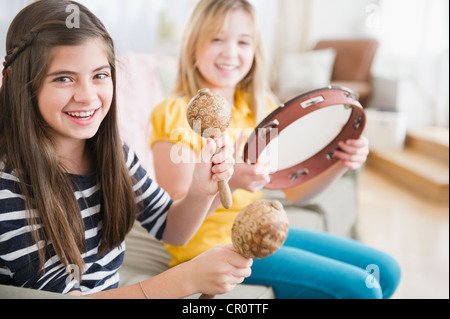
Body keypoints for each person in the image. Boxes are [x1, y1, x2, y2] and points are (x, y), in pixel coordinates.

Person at [0, 0, 252, 299]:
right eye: (64, 78)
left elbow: (171, 229)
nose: (87, 96)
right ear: (18, 81)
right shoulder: (9, 187)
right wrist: (187, 279)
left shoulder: (113, 152)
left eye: (99, 75)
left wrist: (200, 190)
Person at [150, 0, 401, 299]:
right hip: (211, 247)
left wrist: (341, 163)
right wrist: (231, 181)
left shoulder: (261, 107)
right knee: (361, 288)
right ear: (193, 45)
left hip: (262, 229)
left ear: (255, 52)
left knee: (385, 270)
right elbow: (175, 224)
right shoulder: (173, 111)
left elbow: (296, 192)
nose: (231, 52)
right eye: (216, 39)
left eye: (244, 42)